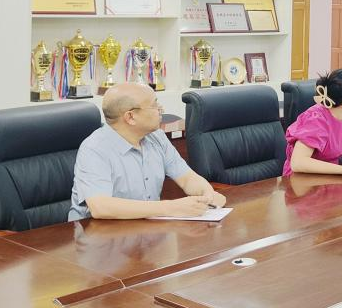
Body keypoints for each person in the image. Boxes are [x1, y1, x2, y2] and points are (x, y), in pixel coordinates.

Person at [69, 82, 225, 220]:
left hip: (145, 229)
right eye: (154, 105)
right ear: (130, 117)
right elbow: (101, 207)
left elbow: (187, 178)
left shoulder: (156, 137)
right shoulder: (95, 149)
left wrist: (207, 194)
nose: (161, 109)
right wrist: (171, 208)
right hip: (96, 234)